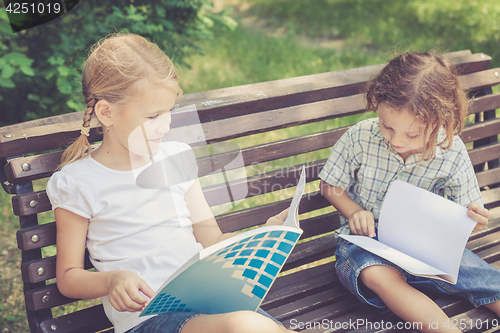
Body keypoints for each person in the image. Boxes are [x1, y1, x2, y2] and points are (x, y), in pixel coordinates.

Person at [46, 33, 293, 333]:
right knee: (246, 325)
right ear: (106, 113)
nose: (165, 125)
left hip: (210, 301)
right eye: (153, 116)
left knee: (252, 325)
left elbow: (212, 240)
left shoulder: (177, 158)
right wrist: (113, 281)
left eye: (169, 112)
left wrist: (261, 238)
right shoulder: (78, 182)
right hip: (149, 319)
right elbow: (69, 276)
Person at [319, 52, 500, 332]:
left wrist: (474, 219)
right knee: (379, 276)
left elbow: (468, 209)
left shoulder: (451, 152)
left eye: (412, 135)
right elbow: (330, 184)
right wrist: (353, 211)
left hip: (426, 246)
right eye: (386, 126)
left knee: (481, 276)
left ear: (440, 122)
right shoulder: (361, 137)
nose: (396, 140)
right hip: (364, 244)